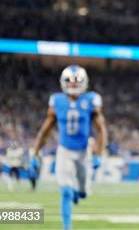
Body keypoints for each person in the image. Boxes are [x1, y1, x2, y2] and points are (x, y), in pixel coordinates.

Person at [32, 65, 108, 230]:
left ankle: (78, 192)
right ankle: (67, 227)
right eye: (69, 81)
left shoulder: (91, 100)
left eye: (77, 81)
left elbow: (101, 129)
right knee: (65, 191)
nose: (73, 84)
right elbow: (45, 129)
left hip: (83, 152)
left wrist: (98, 154)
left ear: (84, 82)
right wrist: (35, 153)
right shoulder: (57, 101)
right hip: (64, 151)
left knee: (82, 193)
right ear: (63, 82)